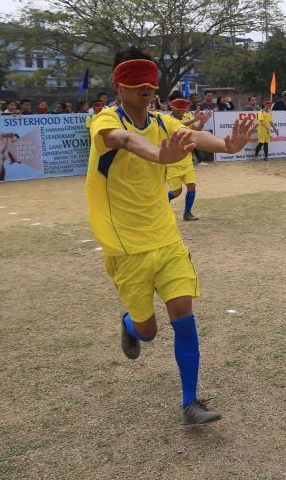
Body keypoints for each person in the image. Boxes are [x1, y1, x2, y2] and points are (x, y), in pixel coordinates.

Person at [86, 47, 254, 425]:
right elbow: (127, 141)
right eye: (138, 87)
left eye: (151, 86)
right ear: (119, 88)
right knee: (148, 332)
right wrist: (159, 157)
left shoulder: (163, 122)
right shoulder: (103, 121)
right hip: (125, 245)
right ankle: (130, 324)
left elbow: (193, 135)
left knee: (184, 314)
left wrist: (226, 145)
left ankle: (191, 402)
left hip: (166, 239)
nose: (147, 92)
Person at [166, 97, 209, 221]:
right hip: (172, 162)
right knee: (176, 192)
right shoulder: (167, 119)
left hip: (186, 160)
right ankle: (161, 205)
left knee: (192, 186)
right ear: (172, 108)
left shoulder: (187, 117)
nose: (182, 112)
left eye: (183, 110)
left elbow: (197, 130)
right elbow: (178, 127)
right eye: (179, 110)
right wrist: (194, 120)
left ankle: (187, 213)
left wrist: (202, 122)